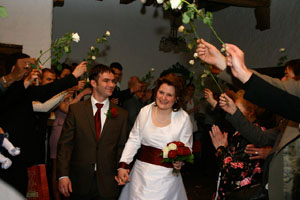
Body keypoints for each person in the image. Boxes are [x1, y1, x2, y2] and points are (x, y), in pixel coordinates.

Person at [196, 39, 300, 199]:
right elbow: (261, 137)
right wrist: (233, 112)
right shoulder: (287, 121)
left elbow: (276, 89)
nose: (283, 81)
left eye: (286, 76)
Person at [0, 53, 87, 196]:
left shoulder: (23, 89)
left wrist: (73, 77)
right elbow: (18, 95)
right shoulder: (8, 90)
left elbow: (44, 93)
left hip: (20, 156)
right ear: (14, 68)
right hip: (6, 155)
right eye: (25, 66)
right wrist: (73, 76)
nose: (28, 69)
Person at [115, 73, 193, 200]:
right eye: (161, 92)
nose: (163, 98)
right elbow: (134, 140)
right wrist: (123, 165)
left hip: (168, 180)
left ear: (176, 98)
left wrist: (181, 161)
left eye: (169, 95)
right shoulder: (145, 111)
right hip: (141, 176)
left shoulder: (183, 118)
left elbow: (187, 147)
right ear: (156, 92)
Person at [56, 64, 129, 200]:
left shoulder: (121, 114)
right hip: (78, 181)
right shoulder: (76, 110)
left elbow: (122, 146)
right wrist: (63, 175)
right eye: (106, 81)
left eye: (113, 81)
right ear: (94, 83)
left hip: (108, 183)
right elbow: (65, 145)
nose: (111, 84)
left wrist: (122, 168)